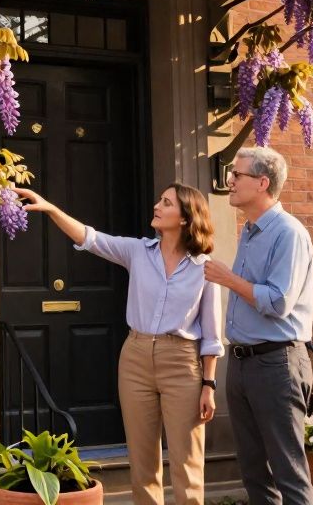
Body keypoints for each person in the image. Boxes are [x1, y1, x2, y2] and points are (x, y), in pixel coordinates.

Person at [14, 184, 222, 505]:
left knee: (187, 462)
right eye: (159, 200)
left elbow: (212, 334)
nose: (157, 205)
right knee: (142, 461)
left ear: (184, 218)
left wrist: (208, 384)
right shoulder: (138, 251)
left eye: (166, 203)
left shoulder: (204, 269)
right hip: (135, 358)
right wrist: (52, 209)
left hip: (183, 363)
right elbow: (90, 238)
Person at [202, 146, 313, 505]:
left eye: (238, 175)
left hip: (277, 363)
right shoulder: (250, 231)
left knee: (288, 471)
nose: (229, 180)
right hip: (242, 362)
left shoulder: (288, 233)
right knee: (253, 471)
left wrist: (228, 278)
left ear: (262, 182)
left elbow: (279, 302)